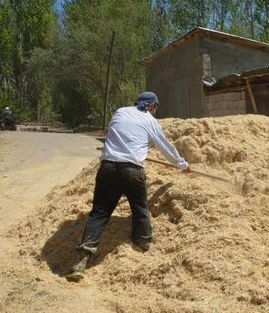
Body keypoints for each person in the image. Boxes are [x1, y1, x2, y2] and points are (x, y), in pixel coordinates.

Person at [65, 91, 191, 281]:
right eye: (155, 107)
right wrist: (182, 165)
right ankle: (142, 245)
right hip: (132, 170)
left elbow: (120, 134)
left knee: (99, 212)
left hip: (107, 168)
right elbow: (165, 147)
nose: (155, 111)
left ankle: (82, 260)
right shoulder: (150, 120)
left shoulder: (120, 112)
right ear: (150, 106)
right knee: (140, 208)